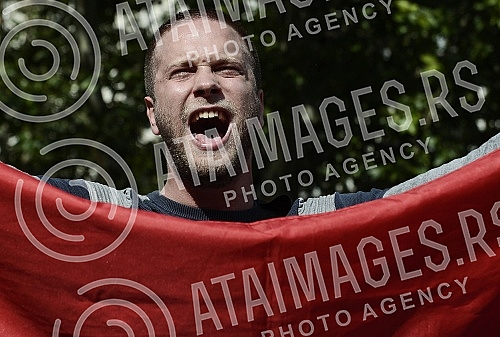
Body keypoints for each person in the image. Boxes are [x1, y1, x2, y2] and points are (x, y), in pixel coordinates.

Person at [43, 10, 499, 222]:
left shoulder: (320, 231)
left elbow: (454, 189)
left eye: (226, 68)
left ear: (259, 106)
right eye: (182, 72)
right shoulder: (100, 223)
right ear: (153, 116)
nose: (206, 84)